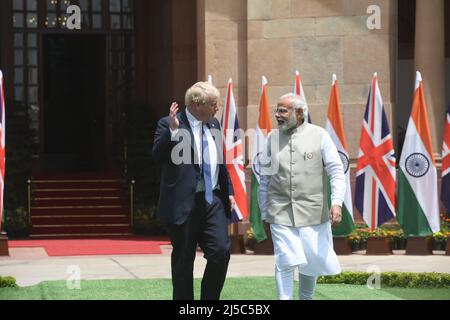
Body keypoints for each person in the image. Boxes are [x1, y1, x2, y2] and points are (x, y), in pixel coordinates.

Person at [152, 81, 235, 300]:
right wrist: (172, 131)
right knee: (183, 260)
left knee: (220, 252)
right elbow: (157, 155)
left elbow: (220, 162)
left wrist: (230, 192)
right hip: (183, 202)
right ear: (197, 105)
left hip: (213, 200)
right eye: (214, 104)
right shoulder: (169, 124)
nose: (217, 108)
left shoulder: (214, 124)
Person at [258, 93, 345, 300]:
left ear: (299, 113)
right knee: (284, 260)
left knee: (311, 260)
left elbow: (336, 171)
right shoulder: (272, 138)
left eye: (283, 111)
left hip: (313, 212)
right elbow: (265, 180)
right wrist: (264, 212)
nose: (277, 115)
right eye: (277, 110)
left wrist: (337, 203)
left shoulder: (320, 135)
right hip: (279, 211)